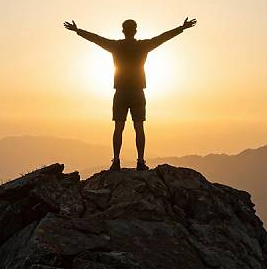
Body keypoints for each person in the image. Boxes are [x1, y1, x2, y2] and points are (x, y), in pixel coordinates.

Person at [63, 17, 197, 171]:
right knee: (139, 127)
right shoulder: (143, 46)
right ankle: (140, 162)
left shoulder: (116, 46)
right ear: (135, 31)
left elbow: (96, 39)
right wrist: (181, 28)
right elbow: (162, 38)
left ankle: (116, 162)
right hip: (137, 92)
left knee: (118, 127)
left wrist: (78, 31)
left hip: (121, 92)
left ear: (123, 31)